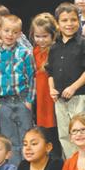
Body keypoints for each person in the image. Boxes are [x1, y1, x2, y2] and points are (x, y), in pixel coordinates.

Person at [0, 14, 36, 166]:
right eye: (6, 31)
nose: (10, 35)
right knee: (9, 139)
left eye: (14, 32)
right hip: (4, 102)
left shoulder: (25, 53)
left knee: (27, 138)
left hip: (22, 99)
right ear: (0, 31)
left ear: (19, 34)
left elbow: (33, 77)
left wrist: (29, 100)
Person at [46, 2, 85, 159]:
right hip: (60, 100)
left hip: (79, 97)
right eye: (65, 20)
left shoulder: (83, 44)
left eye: (73, 20)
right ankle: (73, 169)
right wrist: (51, 89)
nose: (69, 24)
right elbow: (50, 72)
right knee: (65, 135)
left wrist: (73, 87)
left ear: (79, 21)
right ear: (58, 23)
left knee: (83, 132)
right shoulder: (54, 47)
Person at [29, 12, 61, 158]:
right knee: (45, 132)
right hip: (41, 97)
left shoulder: (56, 50)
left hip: (53, 96)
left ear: (53, 35)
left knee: (56, 130)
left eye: (44, 36)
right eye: (37, 36)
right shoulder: (34, 51)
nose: (40, 40)